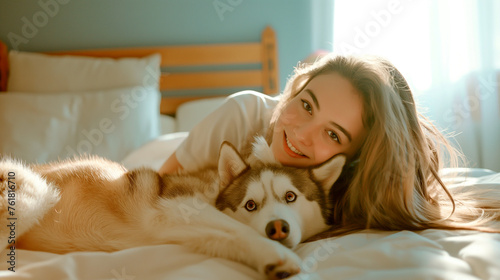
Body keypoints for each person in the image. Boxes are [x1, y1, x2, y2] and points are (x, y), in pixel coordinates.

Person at [159, 53, 500, 237]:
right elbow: (154, 189)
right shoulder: (240, 115)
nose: (303, 134)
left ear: (351, 160)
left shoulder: (340, 182)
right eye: (306, 105)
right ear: (295, 90)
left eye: (333, 134)